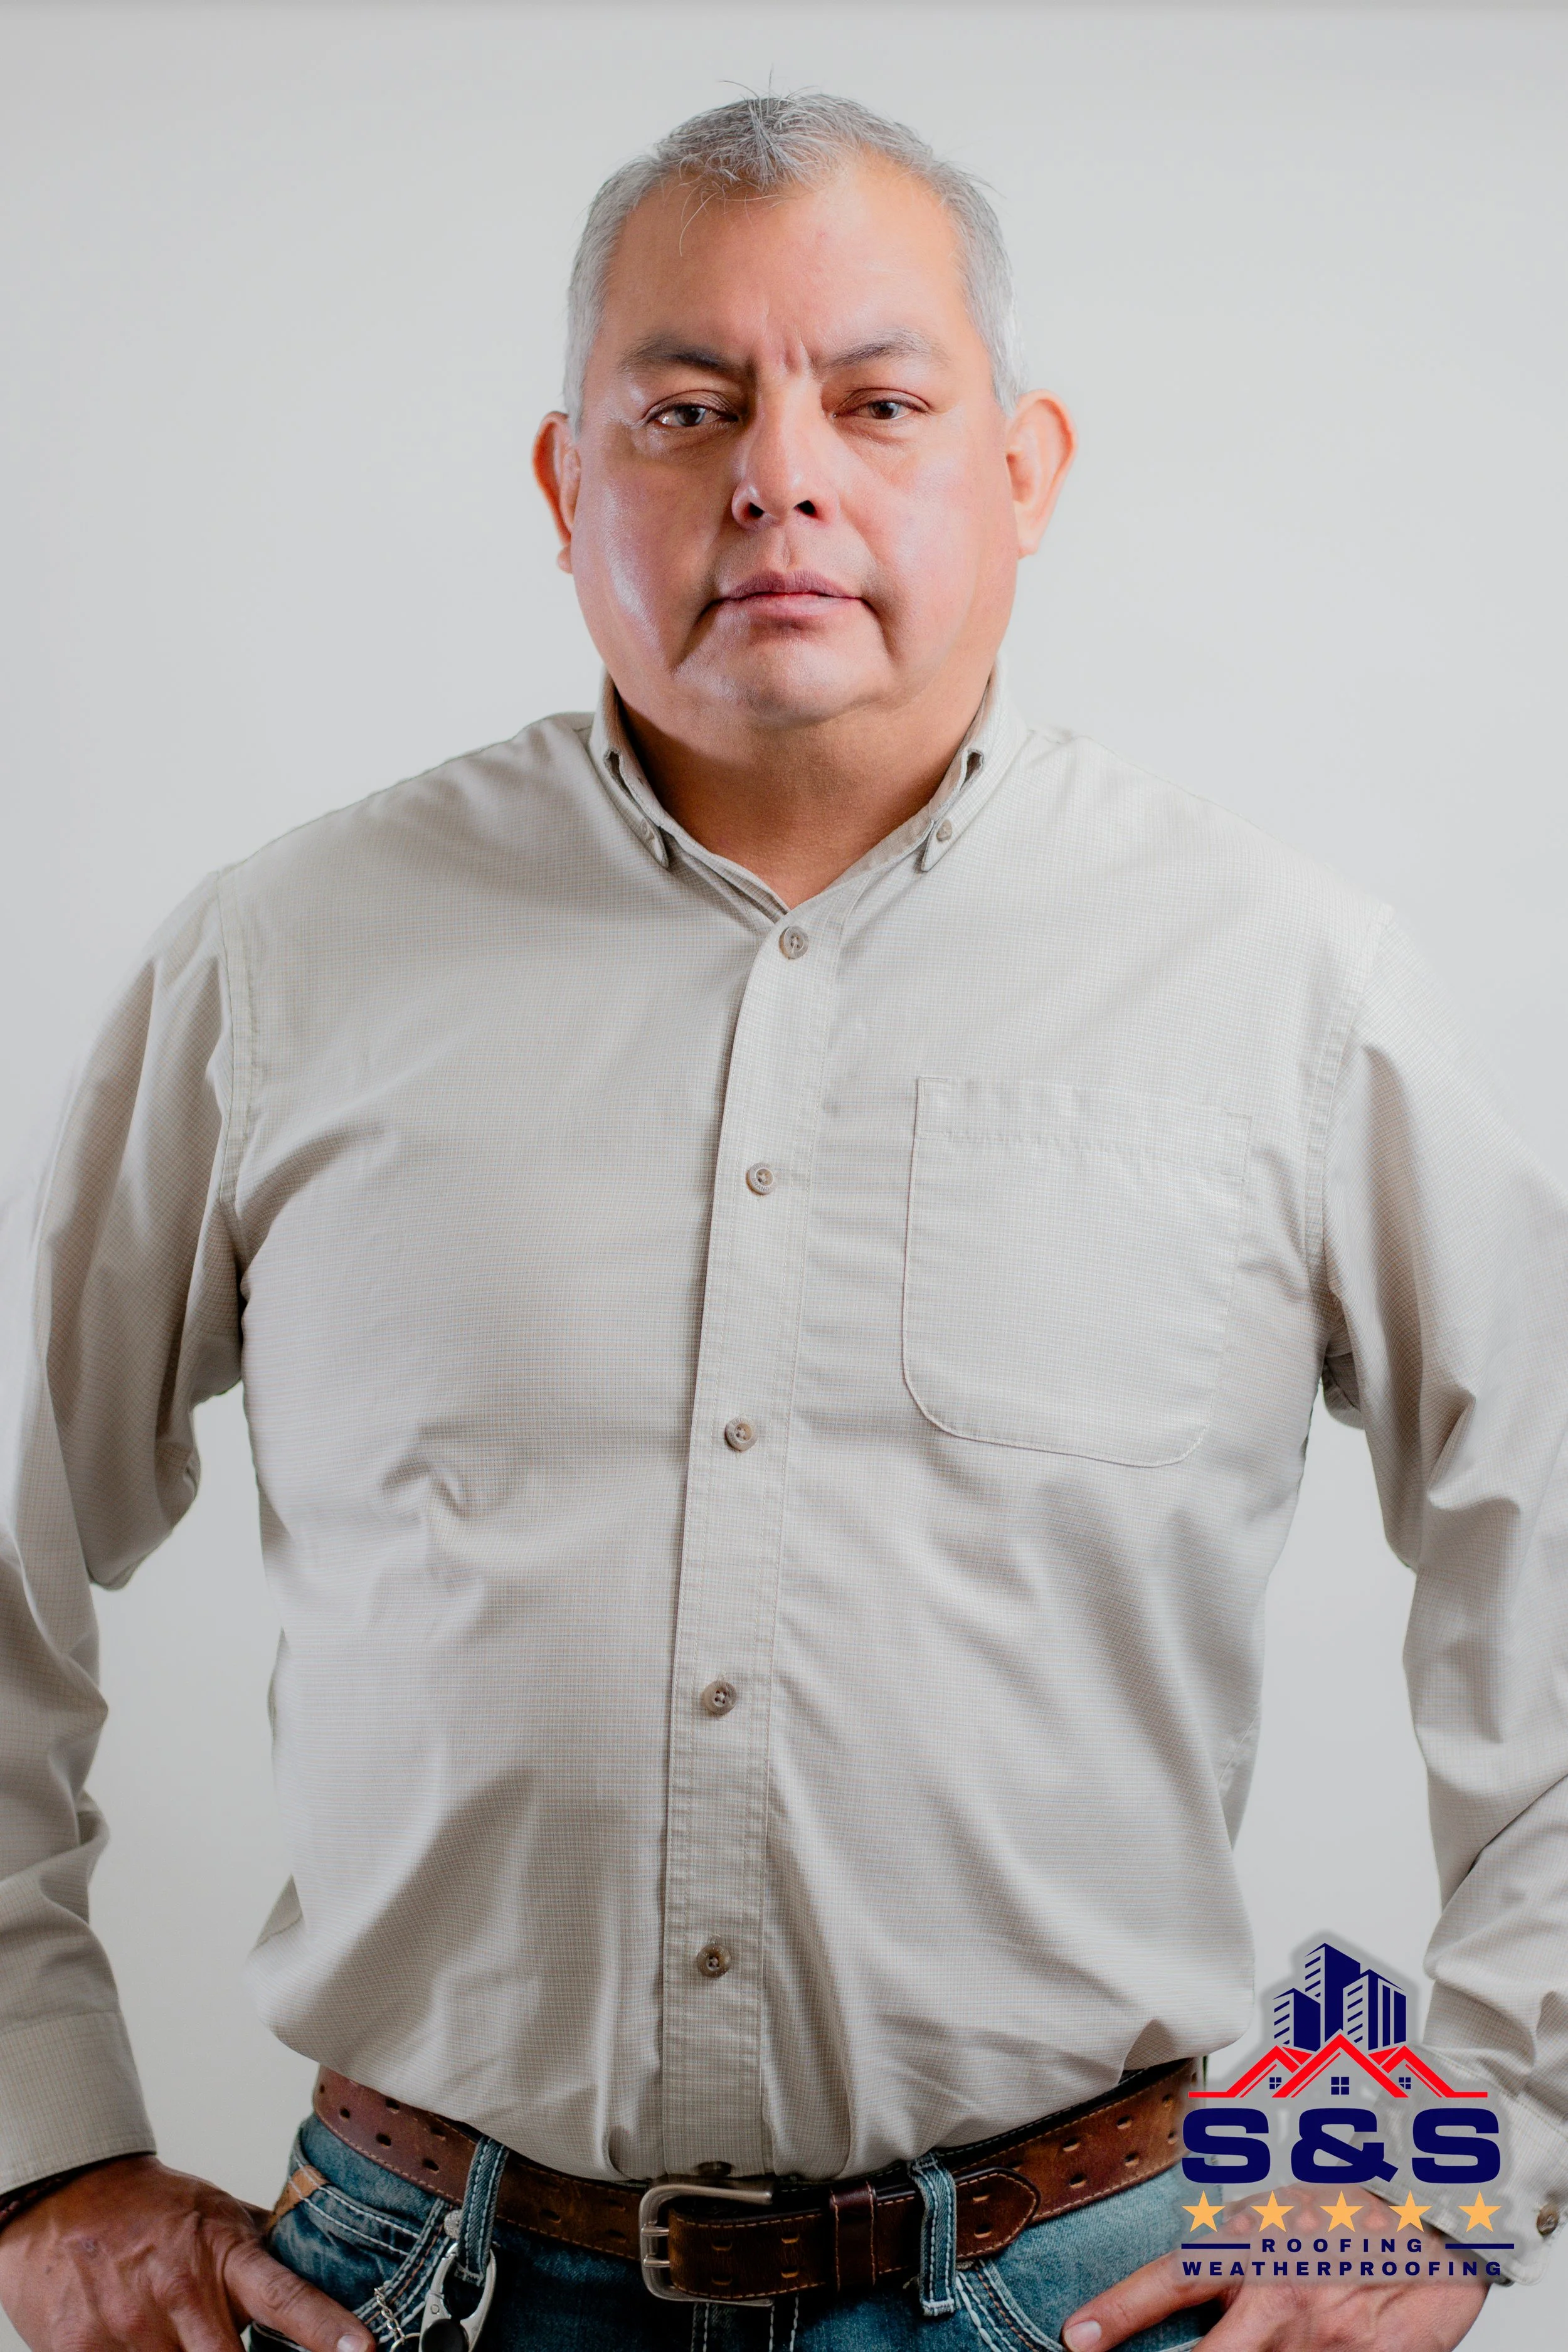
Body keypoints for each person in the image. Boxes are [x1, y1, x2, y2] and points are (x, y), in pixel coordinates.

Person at [0, 88, 1561, 2352]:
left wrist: (1423, 2190)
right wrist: (38, 2150)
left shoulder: (1290, 983)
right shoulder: (284, 957)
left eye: (878, 398)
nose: (779, 473)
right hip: (411, 2288)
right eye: (687, 403)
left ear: (1022, 473)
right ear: (565, 487)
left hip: (1101, 2289)